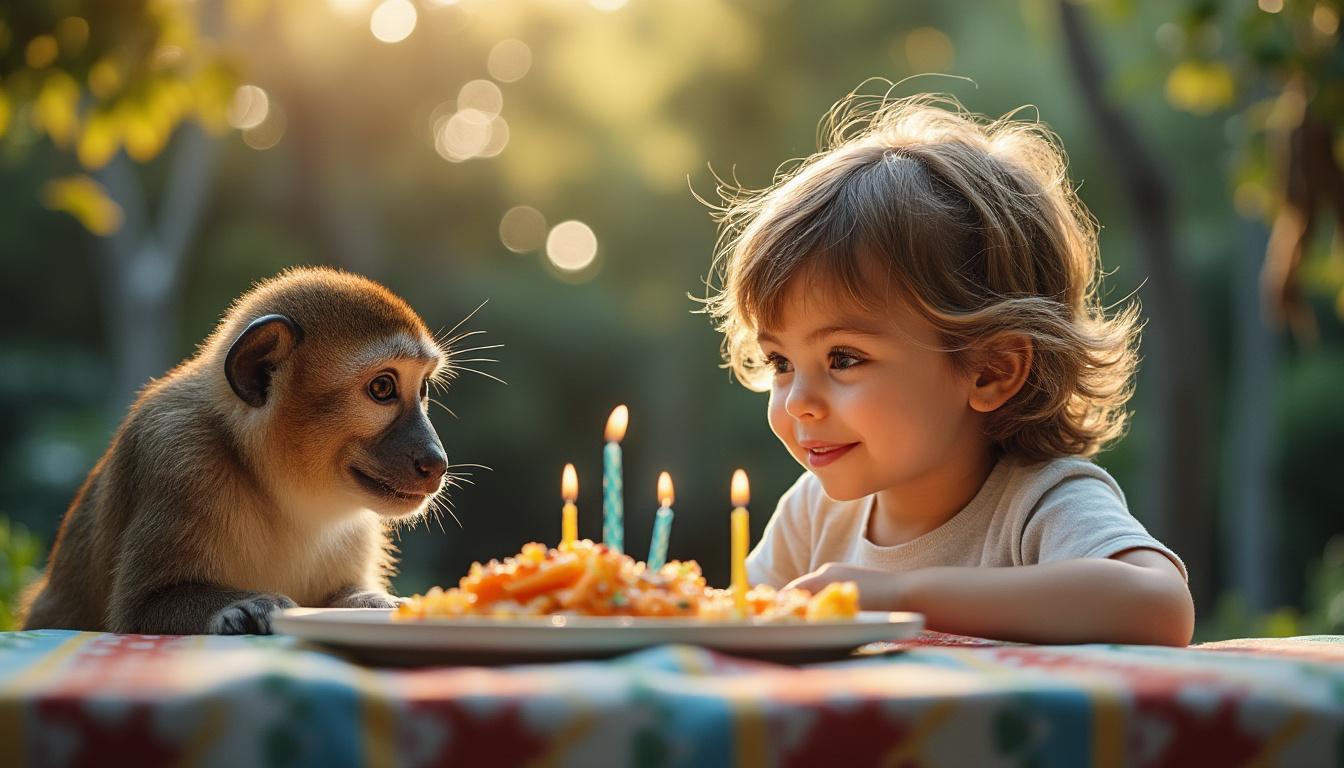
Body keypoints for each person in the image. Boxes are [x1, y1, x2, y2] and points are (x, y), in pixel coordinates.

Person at [705, 91, 1194, 645]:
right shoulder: (813, 514)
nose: (797, 403)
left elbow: (1160, 606)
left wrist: (899, 596)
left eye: (843, 359)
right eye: (781, 362)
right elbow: (733, 636)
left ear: (991, 370)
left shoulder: (1037, 502)